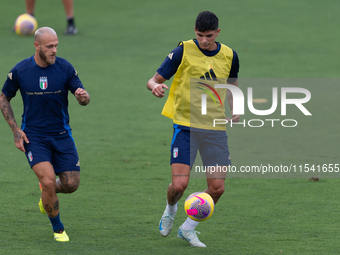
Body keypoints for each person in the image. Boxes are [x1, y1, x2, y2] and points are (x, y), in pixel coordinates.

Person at [146, 11, 240, 247]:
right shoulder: (183, 51)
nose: (204, 40)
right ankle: (170, 209)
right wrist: (155, 87)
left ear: (218, 32)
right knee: (179, 185)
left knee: (217, 188)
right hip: (186, 126)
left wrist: (236, 108)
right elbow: (154, 79)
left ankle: (188, 228)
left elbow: (232, 86)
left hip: (214, 129)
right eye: (199, 35)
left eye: (209, 36)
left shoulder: (230, 55)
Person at [0, 27, 90, 242]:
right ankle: (58, 229)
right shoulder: (20, 71)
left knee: (71, 184)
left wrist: (83, 97)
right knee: (49, 181)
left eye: (56, 45)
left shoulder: (65, 68)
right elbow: (4, 97)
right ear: (37, 45)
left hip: (61, 134)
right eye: (49, 46)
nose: (54, 50)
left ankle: (46, 195)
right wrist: (15, 131)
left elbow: (83, 97)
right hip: (34, 136)